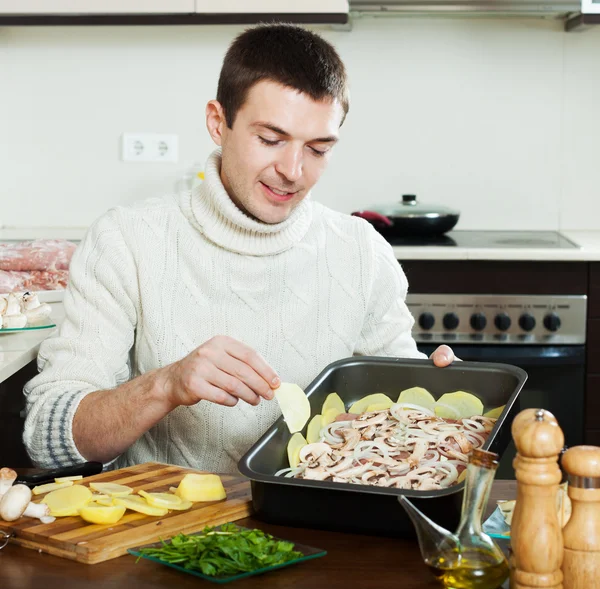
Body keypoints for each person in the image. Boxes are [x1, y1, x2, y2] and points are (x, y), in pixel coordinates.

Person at [23, 23, 455, 473]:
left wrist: (442, 399)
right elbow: (45, 435)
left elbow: (404, 413)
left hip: (321, 527)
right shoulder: (126, 241)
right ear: (218, 122)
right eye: (270, 140)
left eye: (318, 149)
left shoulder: (362, 251)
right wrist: (166, 385)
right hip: (171, 534)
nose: (292, 170)